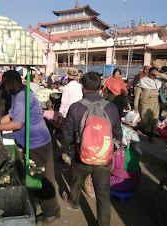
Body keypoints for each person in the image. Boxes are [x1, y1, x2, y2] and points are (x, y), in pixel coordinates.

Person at [0, 70, 61, 224]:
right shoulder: (22, 93)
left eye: (5, 85)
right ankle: (46, 208)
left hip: (37, 144)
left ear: (11, 82)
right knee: (40, 178)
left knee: (42, 178)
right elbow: (11, 116)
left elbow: (17, 124)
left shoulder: (21, 96)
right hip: (37, 142)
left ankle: (52, 213)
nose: (4, 89)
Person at [61, 72, 122, 226]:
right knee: (103, 194)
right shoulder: (111, 107)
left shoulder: (75, 107)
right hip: (103, 158)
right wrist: (113, 149)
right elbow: (118, 133)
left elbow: (67, 133)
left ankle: (74, 202)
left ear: (82, 86)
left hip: (81, 155)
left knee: (76, 181)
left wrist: (64, 150)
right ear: (100, 87)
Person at [134, 67, 162, 143]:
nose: (154, 74)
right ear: (149, 72)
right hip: (145, 102)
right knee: (145, 120)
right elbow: (137, 95)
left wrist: (158, 74)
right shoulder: (143, 81)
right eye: (153, 72)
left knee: (154, 120)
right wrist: (135, 104)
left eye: (155, 73)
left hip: (155, 102)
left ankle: (151, 136)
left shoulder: (157, 81)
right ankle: (137, 128)